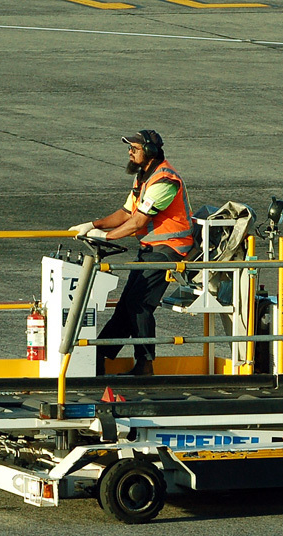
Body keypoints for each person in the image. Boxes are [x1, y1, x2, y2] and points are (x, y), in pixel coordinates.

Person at [69, 129, 195, 376]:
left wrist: (106, 237)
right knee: (127, 304)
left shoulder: (165, 181)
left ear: (149, 152)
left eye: (134, 148)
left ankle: (145, 365)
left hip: (170, 249)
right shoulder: (143, 178)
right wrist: (93, 225)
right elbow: (126, 213)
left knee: (140, 304)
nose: (129, 152)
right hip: (151, 249)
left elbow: (137, 222)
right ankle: (100, 354)